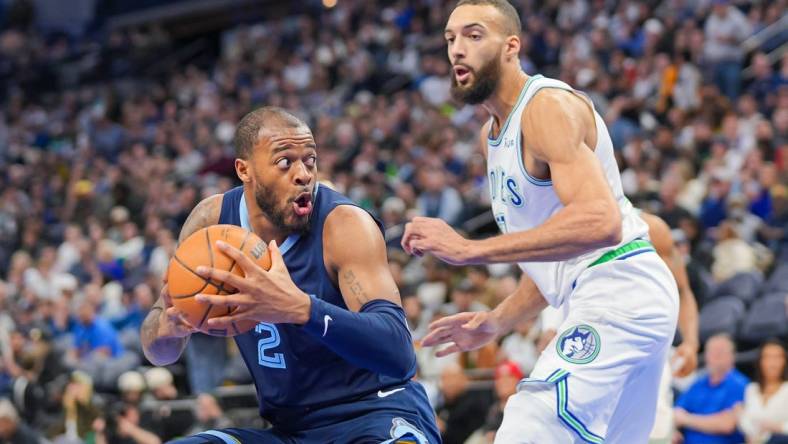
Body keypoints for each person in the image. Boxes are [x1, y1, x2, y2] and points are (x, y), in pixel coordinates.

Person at [407, 1, 679, 442]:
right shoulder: (491, 135)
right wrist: (496, 321)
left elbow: (600, 222)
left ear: (511, 46)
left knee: (529, 424)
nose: (457, 49)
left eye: (474, 36)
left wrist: (470, 249)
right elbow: (555, 257)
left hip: (620, 288)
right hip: (602, 292)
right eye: (451, 39)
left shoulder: (547, 107)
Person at [140, 107, 439, 443]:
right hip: (291, 432)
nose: (303, 174)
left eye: (309, 161)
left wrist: (302, 309)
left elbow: (399, 355)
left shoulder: (344, 226)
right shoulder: (212, 224)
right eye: (285, 162)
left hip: (376, 414)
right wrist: (169, 328)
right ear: (244, 169)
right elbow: (159, 353)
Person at [536, 211, 700, 442]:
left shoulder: (650, 229)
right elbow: (547, 288)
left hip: (642, 348)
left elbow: (682, 291)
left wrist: (691, 342)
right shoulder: (565, 226)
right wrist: (549, 327)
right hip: (586, 347)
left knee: (650, 431)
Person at [673, 334, 748, 444]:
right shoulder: (698, 384)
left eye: (720, 352)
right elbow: (676, 413)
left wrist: (686, 419)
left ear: (732, 356)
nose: (715, 356)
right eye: (711, 351)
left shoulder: (740, 385)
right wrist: (674, 430)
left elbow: (726, 424)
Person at [738, 340, 788, 444]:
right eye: (768, 357)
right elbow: (746, 424)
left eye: (777, 357)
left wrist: (779, 427)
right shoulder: (751, 389)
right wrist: (740, 416)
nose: (772, 363)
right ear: (760, 361)